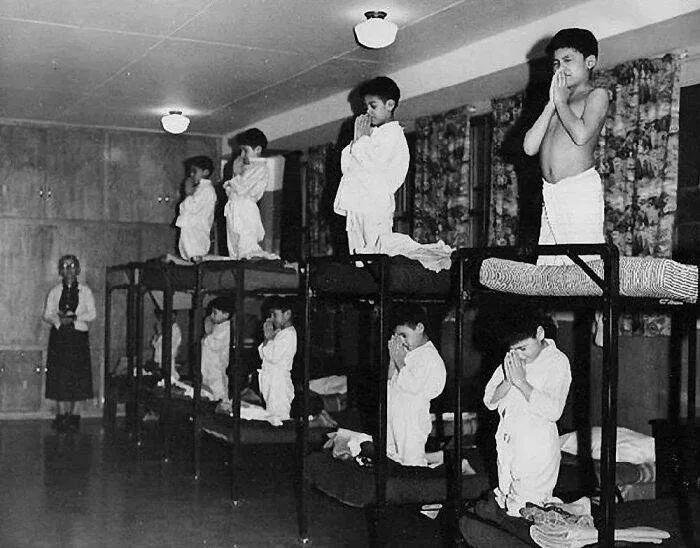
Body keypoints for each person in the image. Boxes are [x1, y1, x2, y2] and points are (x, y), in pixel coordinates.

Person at [523, 28, 609, 265]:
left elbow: (581, 135)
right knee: (550, 269)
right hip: (551, 194)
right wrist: (552, 103)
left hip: (579, 190)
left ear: (590, 62)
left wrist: (560, 102)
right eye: (556, 63)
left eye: (568, 60)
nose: (561, 68)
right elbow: (529, 147)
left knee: (586, 266)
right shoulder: (556, 104)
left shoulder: (597, 94)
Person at [483, 310, 571, 517]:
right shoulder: (512, 358)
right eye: (513, 350)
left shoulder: (557, 362)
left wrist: (522, 382)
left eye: (523, 348)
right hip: (508, 443)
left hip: (536, 449)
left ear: (539, 334)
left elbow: (554, 410)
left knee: (525, 508)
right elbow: (490, 401)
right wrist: (508, 380)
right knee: (506, 504)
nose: (519, 355)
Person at [334, 76, 410, 254]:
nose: (368, 111)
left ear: (390, 105)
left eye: (373, 106)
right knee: (358, 259)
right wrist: (358, 139)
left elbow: (373, 168)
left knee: (376, 258)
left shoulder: (394, 136)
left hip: (374, 206)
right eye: (366, 106)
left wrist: (361, 140)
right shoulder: (372, 134)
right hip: (357, 205)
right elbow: (347, 167)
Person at [386, 304, 446, 466]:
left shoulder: (429, 357)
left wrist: (399, 359)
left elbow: (413, 386)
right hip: (395, 412)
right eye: (397, 336)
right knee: (392, 455)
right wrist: (393, 358)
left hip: (412, 417)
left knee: (411, 459)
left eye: (404, 335)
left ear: (419, 327)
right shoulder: (409, 353)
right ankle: (436, 458)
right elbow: (390, 380)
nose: (402, 341)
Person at [43, 255, 96, 432]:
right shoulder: (55, 291)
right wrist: (59, 320)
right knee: (60, 375)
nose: (69, 270)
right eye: (65, 266)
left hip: (78, 338)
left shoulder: (86, 291)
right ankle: (61, 414)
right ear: (60, 271)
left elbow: (92, 314)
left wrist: (75, 318)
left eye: (72, 266)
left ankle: (75, 416)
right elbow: (47, 314)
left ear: (78, 269)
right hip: (59, 337)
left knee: (78, 376)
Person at [223, 128, 270, 259]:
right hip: (234, 209)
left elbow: (242, 189)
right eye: (241, 150)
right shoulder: (245, 168)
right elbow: (229, 191)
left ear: (258, 150)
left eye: (245, 150)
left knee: (247, 248)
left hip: (246, 209)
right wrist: (235, 174)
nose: (242, 154)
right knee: (233, 249)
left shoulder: (260, 168)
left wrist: (236, 174)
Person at [258, 298, 296, 426]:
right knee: (271, 414)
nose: (272, 318)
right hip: (271, 378)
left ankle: (281, 439)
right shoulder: (279, 333)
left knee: (279, 416)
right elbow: (262, 353)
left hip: (278, 381)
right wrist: (268, 338)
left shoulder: (288, 334)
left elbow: (273, 356)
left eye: (275, 314)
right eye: (271, 315)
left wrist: (268, 337)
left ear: (287, 314)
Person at [175, 155, 217, 261]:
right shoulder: (199, 189)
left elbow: (191, 208)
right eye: (190, 171)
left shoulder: (206, 190)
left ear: (206, 172)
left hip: (197, 235)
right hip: (191, 234)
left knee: (195, 260)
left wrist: (188, 193)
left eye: (194, 171)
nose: (191, 174)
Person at [201, 297, 235, 402]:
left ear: (226, 315)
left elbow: (212, 344)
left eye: (215, 313)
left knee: (217, 399)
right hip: (208, 370)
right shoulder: (217, 327)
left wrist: (207, 332)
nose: (211, 316)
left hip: (217, 373)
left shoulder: (226, 329)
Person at [150, 309, 182, 380]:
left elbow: (168, 348)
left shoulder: (175, 330)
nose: (161, 320)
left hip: (169, 365)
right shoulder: (165, 329)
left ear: (173, 316)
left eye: (162, 317)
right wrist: (159, 333)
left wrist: (160, 333)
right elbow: (155, 345)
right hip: (160, 364)